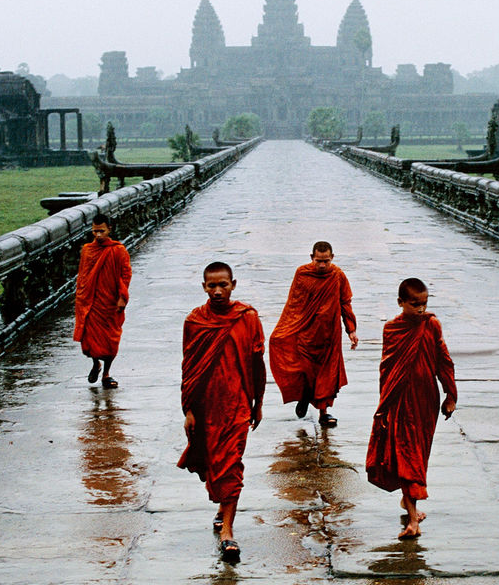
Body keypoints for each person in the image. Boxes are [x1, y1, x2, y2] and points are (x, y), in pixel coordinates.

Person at [177, 262, 266, 563]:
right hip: (206, 405)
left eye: (223, 285)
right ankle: (222, 510)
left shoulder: (248, 318)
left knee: (230, 465)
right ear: (203, 287)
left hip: (238, 405)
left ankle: (228, 531)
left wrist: (259, 402)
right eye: (211, 286)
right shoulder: (195, 321)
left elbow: (257, 362)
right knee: (214, 465)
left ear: (233, 284)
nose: (217, 291)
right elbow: (189, 367)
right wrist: (188, 408)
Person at [366, 277, 458, 540]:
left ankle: (409, 503)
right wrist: (383, 405)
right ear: (400, 303)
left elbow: (444, 361)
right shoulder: (392, 329)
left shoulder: (431, 325)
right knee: (406, 454)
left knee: (417, 452)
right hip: (398, 399)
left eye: (424, 303)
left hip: (425, 400)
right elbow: (387, 369)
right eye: (414, 304)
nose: (420, 309)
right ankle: (413, 518)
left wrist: (451, 395)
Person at [268, 241, 358, 427]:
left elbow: (345, 302)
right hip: (306, 334)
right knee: (306, 371)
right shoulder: (303, 274)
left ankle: (323, 413)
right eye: (319, 261)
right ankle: (304, 396)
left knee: (327, 376)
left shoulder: (338, 276)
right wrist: (286, 329)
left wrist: (351, 330)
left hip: (329, 335)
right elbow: (294, 305)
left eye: (326, 261)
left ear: (332, 257)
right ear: (311, 258)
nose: (323, 265)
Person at [74, 214, 131, 388]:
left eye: (102, 231)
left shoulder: (118, 250)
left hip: (110, 302)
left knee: (110, 340)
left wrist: (122, 298)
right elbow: (83, 276)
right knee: (90, 340)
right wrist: (80, 297)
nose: (98, 235)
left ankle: (106, 373)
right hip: (90, 302)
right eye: (95, 231)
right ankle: (95, 364)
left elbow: (125, 274)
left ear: (109, 230)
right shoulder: (87, 250)